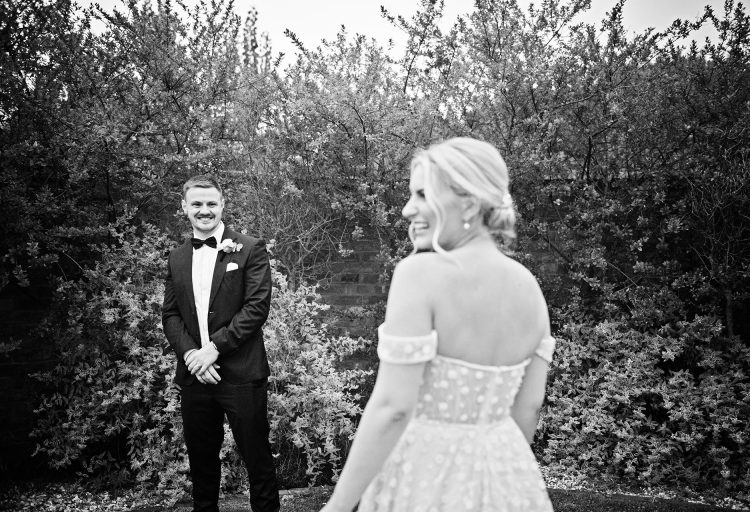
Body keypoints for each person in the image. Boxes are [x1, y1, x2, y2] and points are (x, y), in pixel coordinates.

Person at [320, 137, 555, 512]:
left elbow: (394, 408)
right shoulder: (530, 288)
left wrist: (337, 506)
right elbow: (529, 407)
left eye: (423, 195)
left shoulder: (419, 274)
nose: (406, 209)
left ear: (469, 202)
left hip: (423, 477)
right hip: (508, 481)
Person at [162, 175, 280, 512]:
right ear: (184, 207)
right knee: (201, 462)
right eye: (197, 204)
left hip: (241, 373)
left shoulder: (250, 248)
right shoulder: (177, 257)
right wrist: (192, 355)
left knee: (256, 458)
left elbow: (256, 308)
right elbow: (170, 314)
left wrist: (212, 350)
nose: (205, 210)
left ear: (222, 205)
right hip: (195, 376)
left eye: (211, 203)